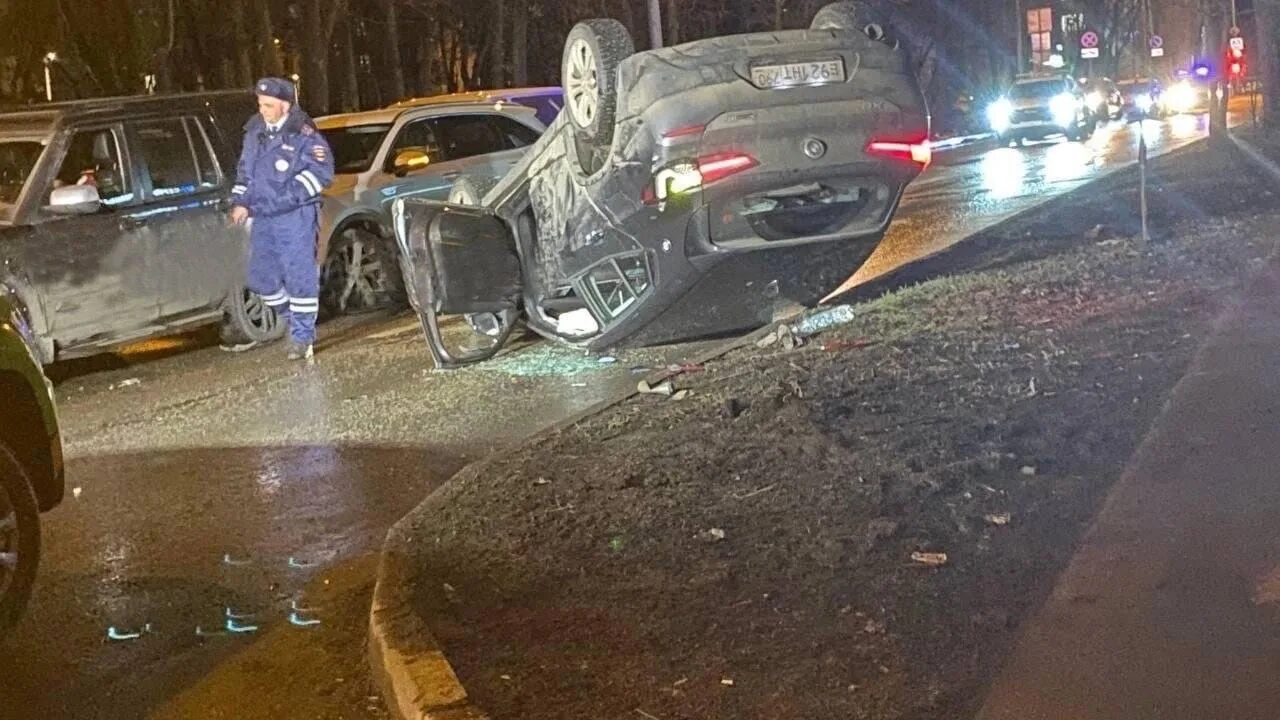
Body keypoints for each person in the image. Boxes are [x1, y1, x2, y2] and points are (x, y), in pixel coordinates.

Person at [227, 77, 334, 360]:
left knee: (299, 274)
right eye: (261, 104)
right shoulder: (254, 132)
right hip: (263, 216)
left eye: (269, 105)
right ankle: (296, 317)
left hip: (295, 217)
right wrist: (240, 203)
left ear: (285, 105)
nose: (263, 110)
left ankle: (302, 337)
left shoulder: (303, 134)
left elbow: (320, 174)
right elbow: (245, 174)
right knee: (260, 278)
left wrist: (287, 197)